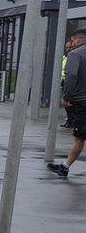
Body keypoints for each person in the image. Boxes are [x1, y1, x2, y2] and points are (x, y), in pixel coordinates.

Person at [48, 29, 86, 177]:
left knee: (80, 137)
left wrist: (66, 97)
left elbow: (70, 76)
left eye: (73, 40)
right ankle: (65, 166)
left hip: (82, 102)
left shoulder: (75, 54)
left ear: (78, 40)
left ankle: (64, 168)